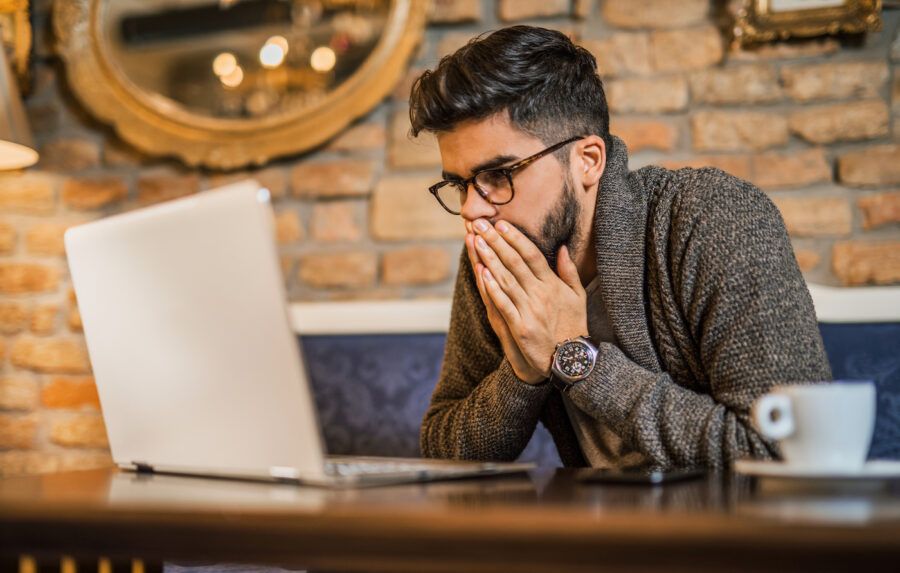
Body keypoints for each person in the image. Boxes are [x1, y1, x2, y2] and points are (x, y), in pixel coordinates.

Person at [409, 25, 832, 470]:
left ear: (587, 161)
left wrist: (576, 358)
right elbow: (443, 450)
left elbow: (791, 450)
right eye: (459, 184)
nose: (474, 210)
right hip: (599, 531)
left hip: (733, 535)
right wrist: (522, 375)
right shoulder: (501, 256)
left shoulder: (714, 216)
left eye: (499, 175)